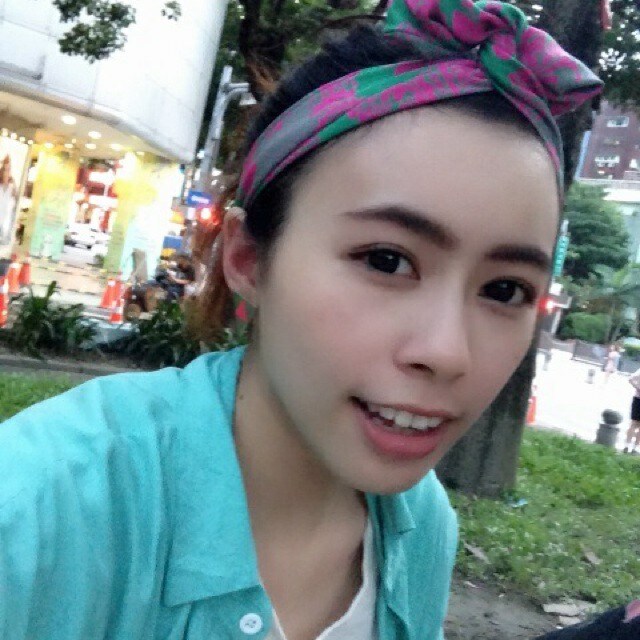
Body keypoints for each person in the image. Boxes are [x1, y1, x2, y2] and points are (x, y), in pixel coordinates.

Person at [0, 1, 615, 639]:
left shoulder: (420, 526)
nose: (447, 351)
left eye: (506, 290)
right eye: (386, 260)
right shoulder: (37, 513)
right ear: (247, 259)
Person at [624, 366, 640, 454]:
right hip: (638, 399)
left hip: (637, 398)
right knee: (634, 424)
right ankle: (634, 448)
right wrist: (637, 387)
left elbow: (631, 379)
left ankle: (627, 446)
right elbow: (631, 379)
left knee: (633, 424)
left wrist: (637, 386)